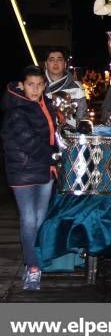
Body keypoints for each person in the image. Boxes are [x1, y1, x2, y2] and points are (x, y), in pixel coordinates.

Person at [2, 66, 59, 291]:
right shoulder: (16, 109)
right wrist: (54, 156)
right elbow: (30, 143)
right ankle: (33, 267)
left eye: (39, 84)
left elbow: (52, 134)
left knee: (41, 218)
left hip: (44, 170)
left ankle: (38, 259)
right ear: (21, 86)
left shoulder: (45, 104)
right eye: (30, 85)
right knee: (29, 220)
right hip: (24, 171)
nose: (35, 89)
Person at [43, 47, 87, 125]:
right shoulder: (38, 85)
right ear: (46, 64)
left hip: (68, 134)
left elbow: (81, 117)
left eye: (59, 60)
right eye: (51, 60)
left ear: (65, 64)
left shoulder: (76, 87)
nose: (55, 63)